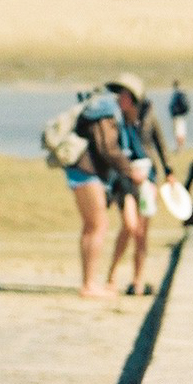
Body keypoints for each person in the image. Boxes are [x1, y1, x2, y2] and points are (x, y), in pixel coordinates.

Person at [62, 77, 147, 299]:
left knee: (91, 226)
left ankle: (88, 282)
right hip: (86, 172)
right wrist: (130, 171)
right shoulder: (107, 111)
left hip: (81, 171)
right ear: (127, 97)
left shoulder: (101, 107)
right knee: (98, 226)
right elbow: (107, 149)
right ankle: (89, 285)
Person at [107, 81, 175, 295]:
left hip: (148, 179)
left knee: (142, 233)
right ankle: (112, 275)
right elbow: (112, 151)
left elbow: (161, 145)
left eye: (124, 95)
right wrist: (128, 172)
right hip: (125, 180)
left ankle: (137, 280)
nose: (119, 99)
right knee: (129, 226)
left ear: (134, 98)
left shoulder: (148, 118)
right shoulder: (115, 121)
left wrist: (169, 173)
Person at [168, 80, 190, 151]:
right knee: (181, 131)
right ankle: (181, 147)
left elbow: (174, 106)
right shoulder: (182, 94)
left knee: (178, 132)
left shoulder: (177, 95)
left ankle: (179, 147)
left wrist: (174, 112)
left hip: (177, 116)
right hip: (182, 115)